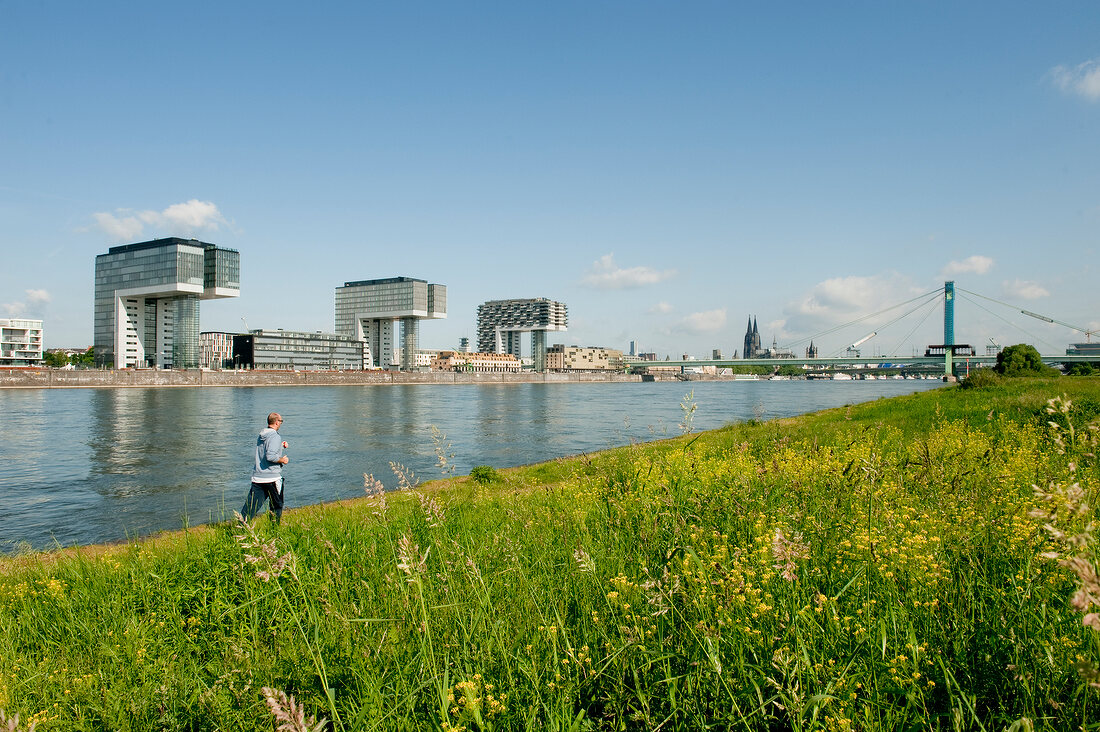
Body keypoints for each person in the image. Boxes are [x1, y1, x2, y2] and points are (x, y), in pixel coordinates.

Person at [241, 412, 289, 523]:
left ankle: (240, 529)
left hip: (258, 478)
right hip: (272, 479)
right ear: (277, 422)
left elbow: (265, 450)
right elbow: (270, 456)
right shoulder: (275, 436)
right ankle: (274, 531)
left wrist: (281, 445)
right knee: (276, 507)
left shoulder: (262, 435)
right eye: (281, 421)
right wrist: (283, 460)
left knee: (249, 509)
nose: (281, 423)